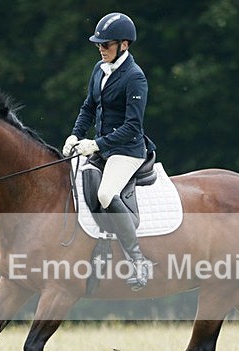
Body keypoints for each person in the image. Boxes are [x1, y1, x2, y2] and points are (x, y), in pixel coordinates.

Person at [62, 12, 156, 291]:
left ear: (124, 45)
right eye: (98, 45)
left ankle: (139, 260)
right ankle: (100, 247)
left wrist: (97, 144)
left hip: (127, 150)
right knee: (77, 182)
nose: (101, 49)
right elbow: (88, 107)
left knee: (105, 193)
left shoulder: (135, 77)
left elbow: (132, 126)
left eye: (106, 45)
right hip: (103, 147)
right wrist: (76, 134)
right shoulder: (99, 69)